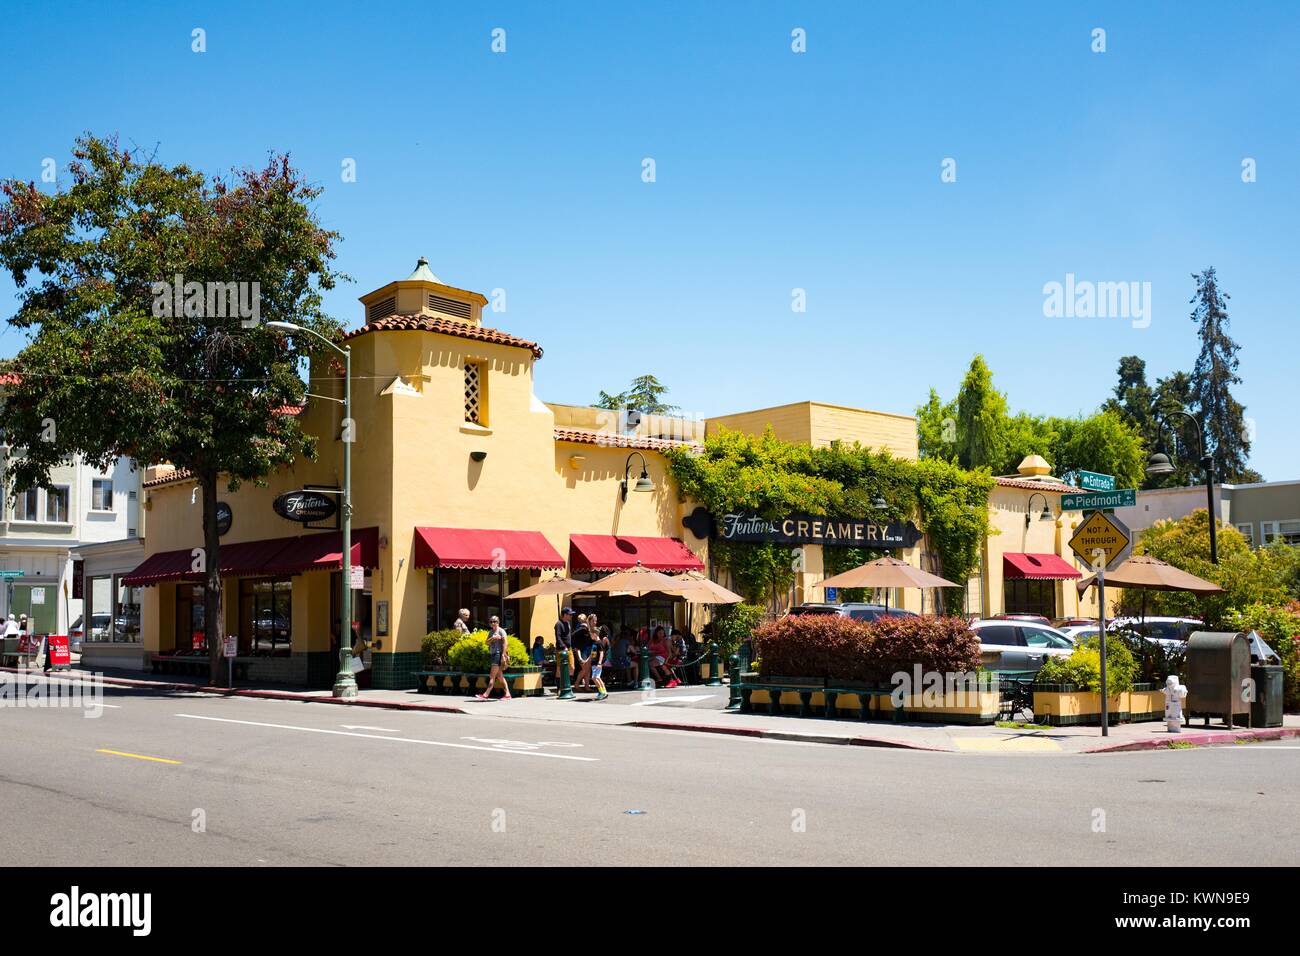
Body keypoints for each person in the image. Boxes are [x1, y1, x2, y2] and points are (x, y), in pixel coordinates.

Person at [476, 615, 512, 701]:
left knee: (492, 676)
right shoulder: (491, 632)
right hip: (493, 654)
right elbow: (486, 643)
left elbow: (505, 644)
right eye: (491, 621)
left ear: (498, 622)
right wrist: (493, 638)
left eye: (494, 621)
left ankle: (486, 694)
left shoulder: (501, 631)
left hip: (498, 654)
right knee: (499, 676)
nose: (493, 623)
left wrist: (503, 655)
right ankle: (508, 694)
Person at [571, 613, 593, 691]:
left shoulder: (586, 628)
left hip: (587, 650)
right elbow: (572, 636)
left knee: (588, 669)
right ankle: (577, 684)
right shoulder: (582, 628)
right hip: (582, 650)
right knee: (585, 669)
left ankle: (587, 686)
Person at [554, 607, 574, 686]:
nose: (571, 616)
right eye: (570, 614)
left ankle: (566, 685)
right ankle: (559, 687)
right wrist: (563, 647)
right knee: (559, 668)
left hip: (569, 648)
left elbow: (568, 636)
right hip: (561, 650)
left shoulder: (568, 623)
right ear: (565, 615)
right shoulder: (558, 624)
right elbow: (558, 637)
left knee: (572, 668)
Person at [590, 625, 610, 700]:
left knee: (595, 678)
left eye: (591, 634)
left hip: (597, 664)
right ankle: (604, 691)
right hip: (594, 663)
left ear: (595, 634)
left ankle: (602, 692)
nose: (590, 636)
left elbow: (602, 653)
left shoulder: (599, 643)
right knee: (598, 678)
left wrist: (599, 663)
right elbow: (593, 653)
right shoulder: (595, 643)